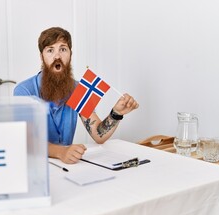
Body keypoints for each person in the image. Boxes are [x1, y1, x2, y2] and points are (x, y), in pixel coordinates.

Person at [14, 27, 139, 164]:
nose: (57, 56)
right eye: (50, 50)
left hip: (68, 165)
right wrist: (61, 152)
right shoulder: (24, 91)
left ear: (70, 54)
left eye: (63, 49)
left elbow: (98, 135)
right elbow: (27, 140)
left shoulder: (78, 89)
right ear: (41, 56)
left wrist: (116, 113)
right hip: (34, 164)